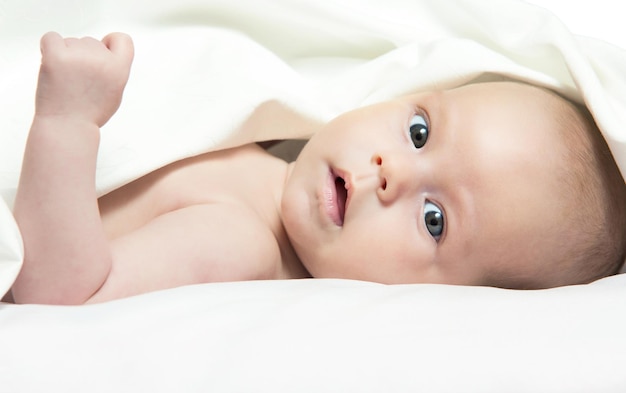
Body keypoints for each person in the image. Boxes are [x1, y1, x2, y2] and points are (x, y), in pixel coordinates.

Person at [8, 32, 626, 305]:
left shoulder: (239, 244)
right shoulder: (265, 145)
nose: (392, 174)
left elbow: (58, 294)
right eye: (419, 132)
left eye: (435, 220)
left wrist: (67, 124)